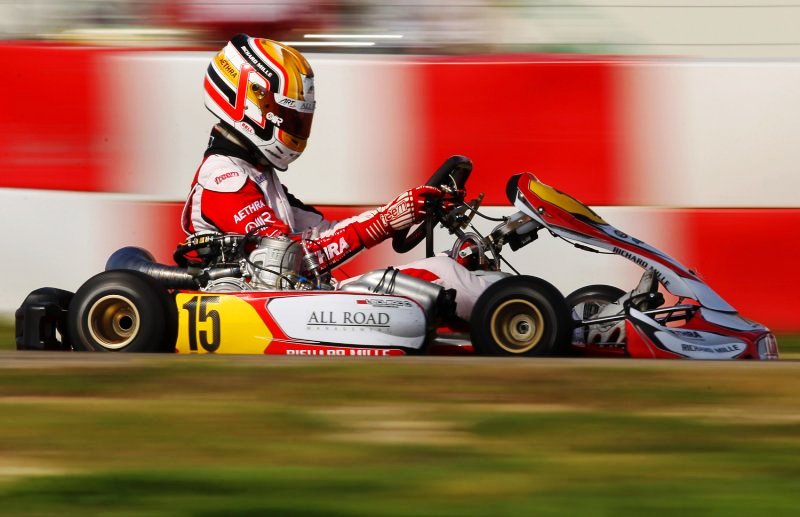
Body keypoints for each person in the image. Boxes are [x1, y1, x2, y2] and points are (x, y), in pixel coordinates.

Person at [181, 34, 492, 319]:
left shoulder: (257, 175)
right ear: (248, 105)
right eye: (290, 117)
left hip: (292, 301)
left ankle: (502, 306)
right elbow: (294, 261)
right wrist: (385, 221)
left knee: (451, 266)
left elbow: (320, 234)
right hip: (262, 310)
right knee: (439, 275)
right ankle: (507, 312)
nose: (296, 127)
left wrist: (394, 215)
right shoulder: (223, 181)